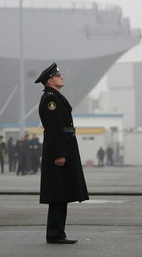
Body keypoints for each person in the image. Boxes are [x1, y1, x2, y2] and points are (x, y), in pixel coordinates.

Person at [35, 62, 89, 245]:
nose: (62, 77)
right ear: (50, 81)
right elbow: (55, 128)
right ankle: (55, 234)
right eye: (58, 75)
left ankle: (58, 233)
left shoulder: (55, 97)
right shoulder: (51, 99)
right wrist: (60, 154)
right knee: (58, 192)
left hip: (64, 146)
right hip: (59, 149)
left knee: (62, 192)